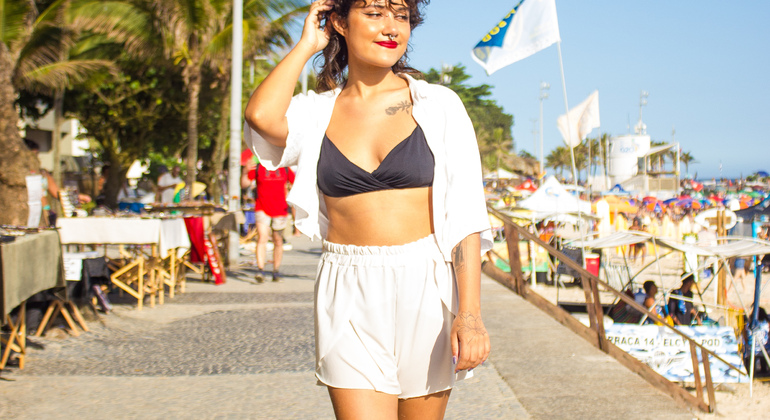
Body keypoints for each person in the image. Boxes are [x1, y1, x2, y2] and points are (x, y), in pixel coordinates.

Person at [243, 1, 492, 418]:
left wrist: (470, 315)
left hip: (426, 286)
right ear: (340, 22)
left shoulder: (438, 104)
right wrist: (307, 45)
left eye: (401, 16)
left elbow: (465, 214)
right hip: (347, 286)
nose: (391, 27)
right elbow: (261, 116)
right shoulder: (318, 112)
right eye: (375, 13)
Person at [240, 160, 295, 282]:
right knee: (262, 238)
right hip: (262, 207)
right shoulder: (258, 167)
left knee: (278, 240)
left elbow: (296, 183)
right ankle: (260, 270)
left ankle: (276, 271)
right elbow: (244, 184)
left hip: (280, 209)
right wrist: (244, 172)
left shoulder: (284, 168)